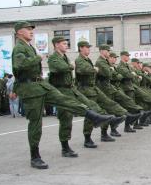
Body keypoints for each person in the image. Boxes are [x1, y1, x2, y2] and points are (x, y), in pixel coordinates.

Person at [11, 21, 113, 169]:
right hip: (30, 89)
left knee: (64, 100)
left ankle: (92, 116)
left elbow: (20, 72)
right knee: (36, 123)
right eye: (28, 29)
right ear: (19, 32)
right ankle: (35, 156)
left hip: (40, 85)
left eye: (32, 29)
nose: (31, 31)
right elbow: (18, 67)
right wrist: (38, 58)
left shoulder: (28, 47)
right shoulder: (19, 48)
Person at [48, 37, 124, 156]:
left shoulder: (66, 57)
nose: (66, 45)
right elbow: (70, 69)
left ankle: (104, 120)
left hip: (72, 89)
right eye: (64, 43)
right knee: (66, 119)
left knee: (91, 107)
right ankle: (65, 147)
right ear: (56, 45)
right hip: (63, 91)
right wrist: (74, 66)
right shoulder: (56, 58)